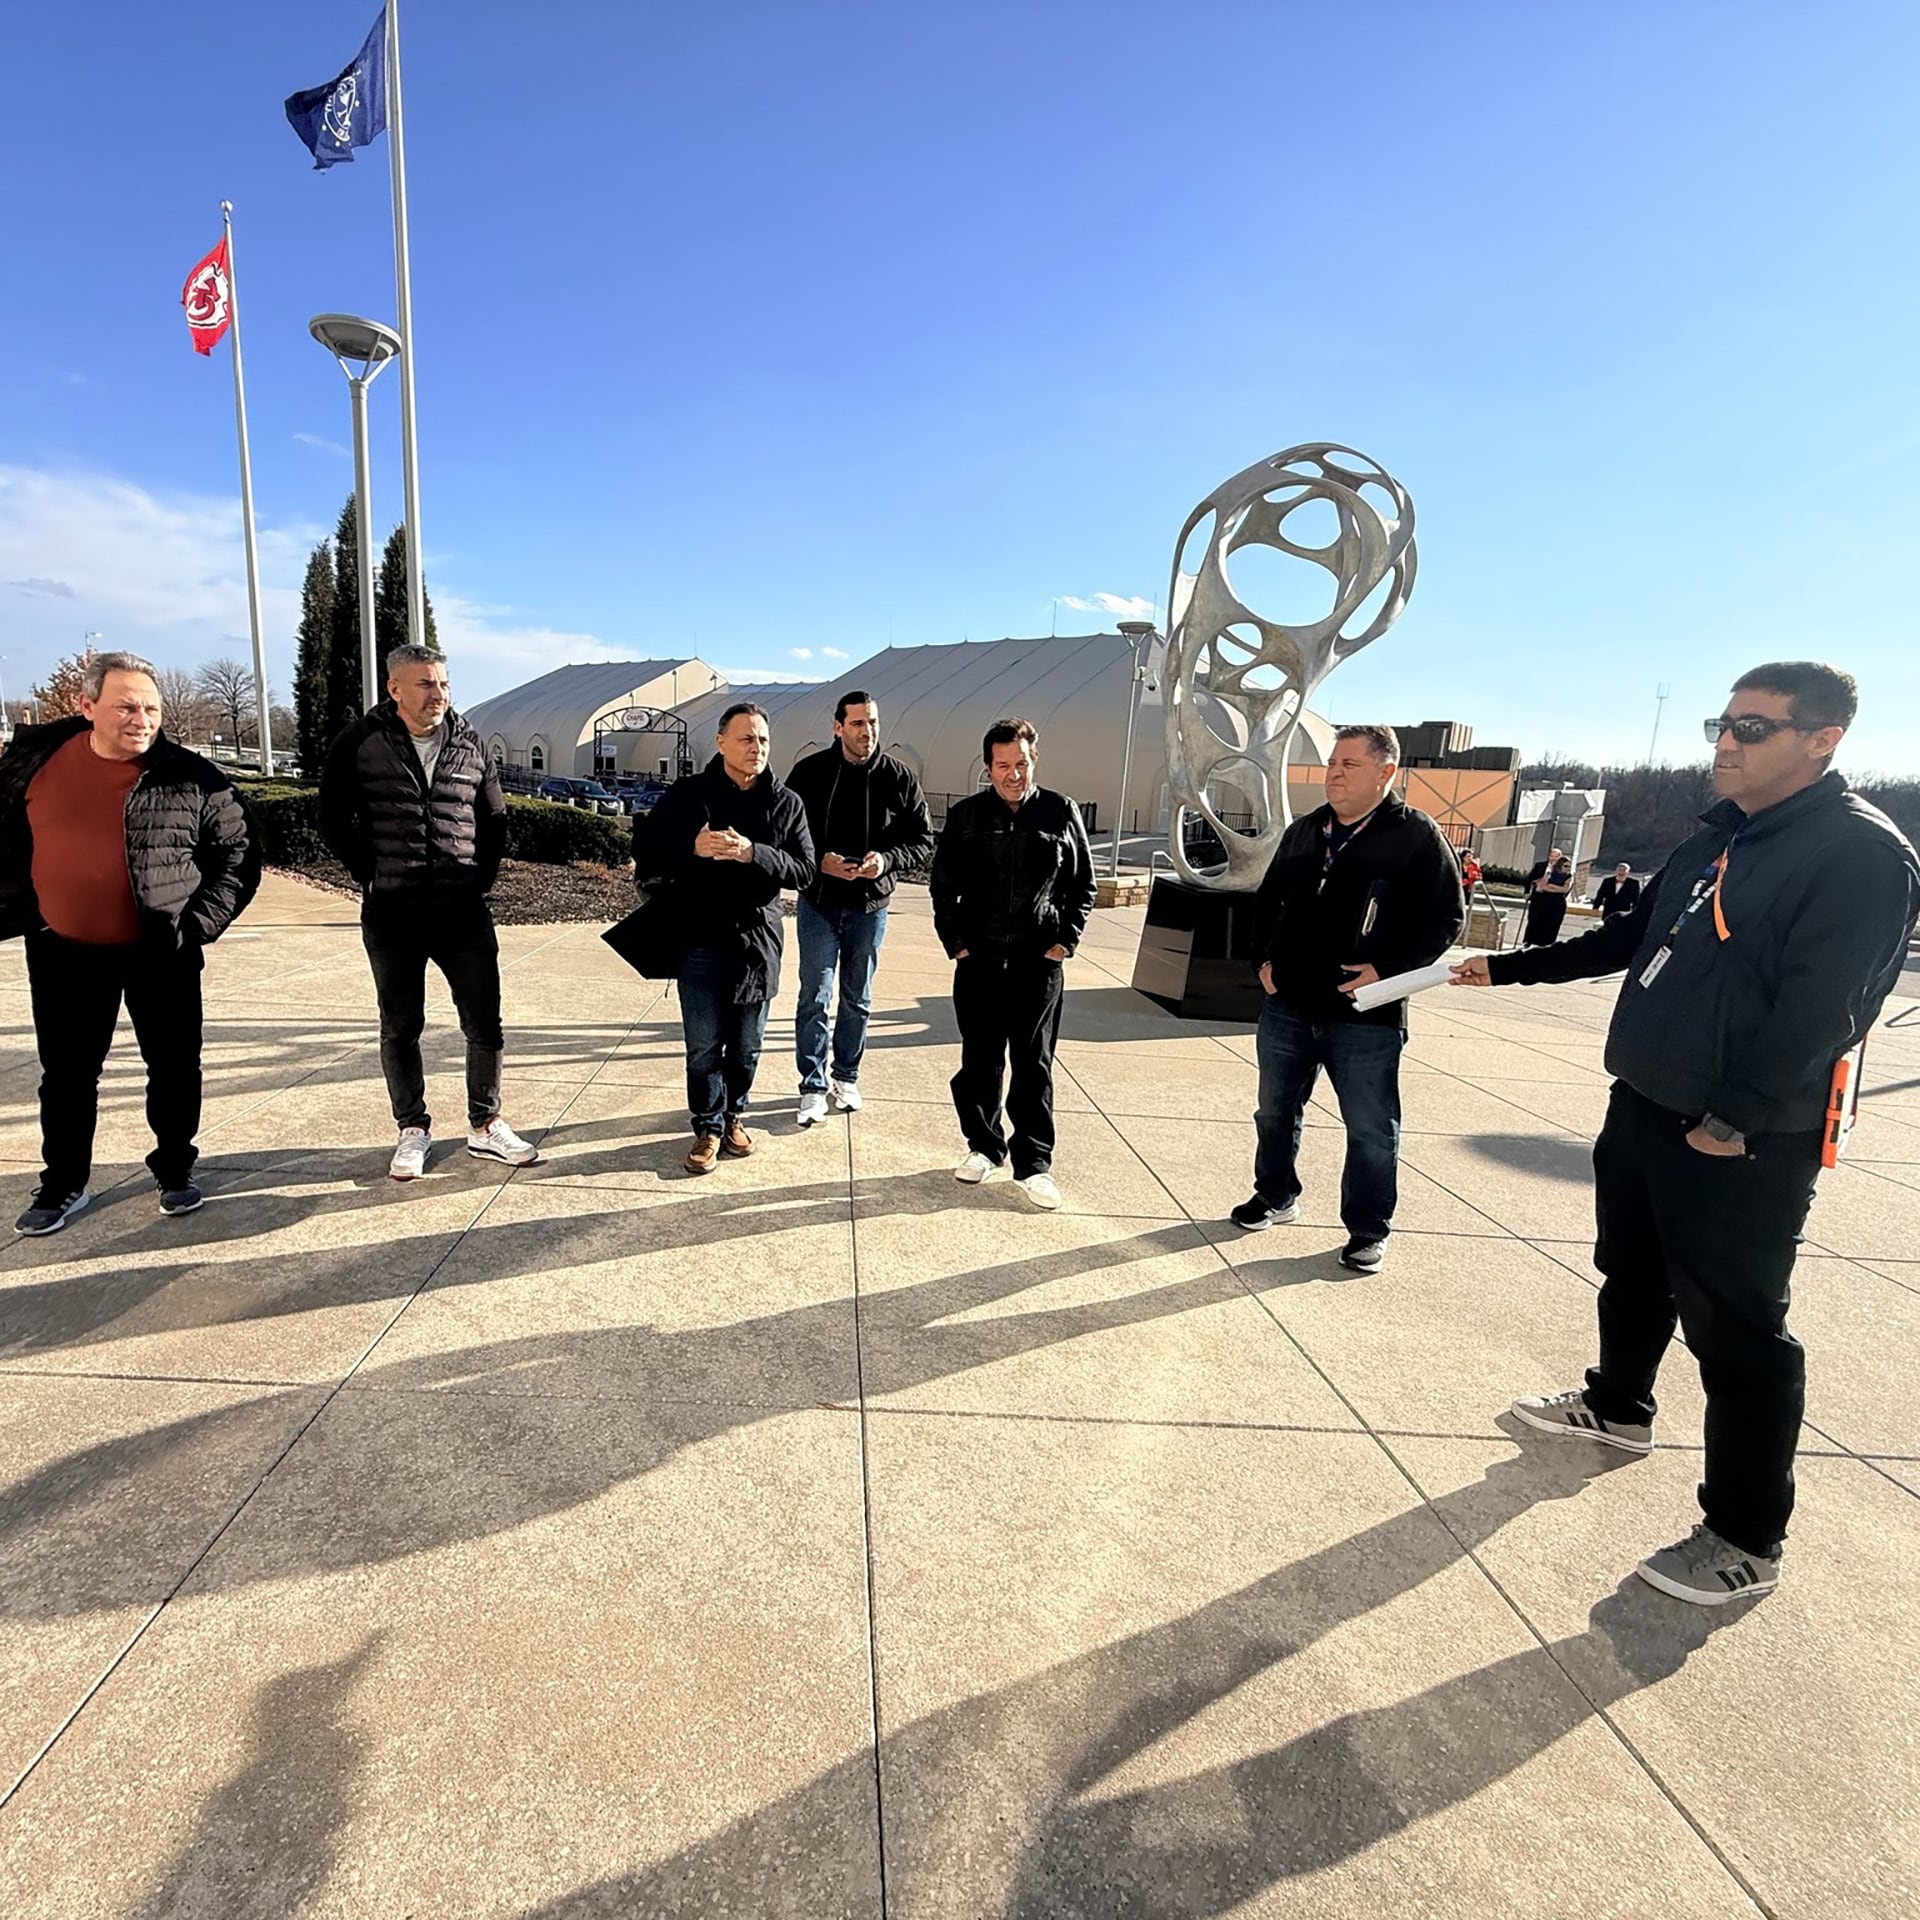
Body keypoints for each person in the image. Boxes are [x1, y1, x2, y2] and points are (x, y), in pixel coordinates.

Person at [1453, 663, 1920, 1605]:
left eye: (1753, 727)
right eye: (1724, 722)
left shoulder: (1859, 853)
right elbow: (1631, 938)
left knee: (1740, 1331)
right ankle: (1618, 1407)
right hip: (1648, 1101)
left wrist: (1733, 1117)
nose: (1726, 742)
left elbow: (1827, 1009)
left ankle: (1747, 1538)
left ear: (1823, 739)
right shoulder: (1721, 836)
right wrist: (1507, 971)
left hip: (1738, 1136)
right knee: (1631, 1269)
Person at [0, 650, 259, 1233]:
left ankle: (174, 1171)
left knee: (172, 1065)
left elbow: (239, 855)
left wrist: (196, 926)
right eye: (124, 706)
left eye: (150, 707)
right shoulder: (34, 765)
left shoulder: (191, 776)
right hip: (62, 948)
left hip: (159, 951)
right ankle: (63, 1183)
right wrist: (26, 909)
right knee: (66, 1074)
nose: (140, 718)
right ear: (86, 705)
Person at [1232, 725, 1465, 1273]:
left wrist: (1387, 969)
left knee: (1370, 1128)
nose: (1334, 772)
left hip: (1365, 1014)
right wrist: (1262, 964)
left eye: (1350, 765)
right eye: (1333, 762)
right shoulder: (1306, 831)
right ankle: (1275, 1195)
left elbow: (1446, 917)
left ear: (1386, 773)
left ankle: (1367, 1228)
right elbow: (1267, 904)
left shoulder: (1416, 837)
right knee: (1274, 1111)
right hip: (1289, 1005)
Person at [320, 644, 538, 1180]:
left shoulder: (471, 741)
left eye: (442, 683)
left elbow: (495, 820)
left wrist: (479, 879)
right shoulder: (361, 741)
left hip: (461, 910)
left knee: (484, 1022)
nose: (438, 693)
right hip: (393, 910)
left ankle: (485, 1126)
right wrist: (368, 872)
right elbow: (329, 815)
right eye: (425, 684)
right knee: (400, 1025)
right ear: (395, 689)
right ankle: (412, 1128)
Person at [633, 703, 814, 1172]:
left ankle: (735, 1114)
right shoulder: (689, 795)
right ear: (720, 742)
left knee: (749, 1044)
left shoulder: (786, 803)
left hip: (757, 941)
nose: (757, 749)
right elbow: (646, 849)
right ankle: (708, 1126)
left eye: (763, 740)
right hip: (699, 937)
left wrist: (755, 853)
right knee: (704, 1044)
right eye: (747, 739)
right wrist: (690, 847)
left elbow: (806, 870)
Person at [929, 717, 1095, 1211]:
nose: (1013, 773)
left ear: (1033, 759)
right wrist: (957, 942)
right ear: (988, 767)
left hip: (1037, 964)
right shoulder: (968, 816)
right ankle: (983, 1147)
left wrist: (1065, 941)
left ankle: (1034, 1163)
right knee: (979, 1061)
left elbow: (1082, 885)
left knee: (1033, 1065)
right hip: (979, 960)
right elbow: (942, 885)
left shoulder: (1060, 811)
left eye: (1021, 763)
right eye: (1003, 765)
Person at [784, 691, 933, 1125]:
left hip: (871, 907)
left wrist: (885, 861)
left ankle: (845, 1076)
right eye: (857, 724)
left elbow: (922, 841)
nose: (866, 732)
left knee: (858, 998)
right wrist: (820, 862)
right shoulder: (809, 773)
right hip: (819, 904)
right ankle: (811, 1087)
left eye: (872, 723)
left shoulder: (899, 778)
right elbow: (786, 832)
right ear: (837, 727)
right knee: (815, 995)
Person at [1522, 847, 1573, 944]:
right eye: (1551, 856)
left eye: (1556, 856)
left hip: (1556, 902)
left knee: (1551, 924)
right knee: (1534, 920)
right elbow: (1532, 881)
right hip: (1538, 897)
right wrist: (1527, 892)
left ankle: (1546, 943)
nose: (1553, 859)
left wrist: (1551, 886)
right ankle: (1529, 940)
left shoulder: (1566, 873)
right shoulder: (1540, 866)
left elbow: (1565, 889)